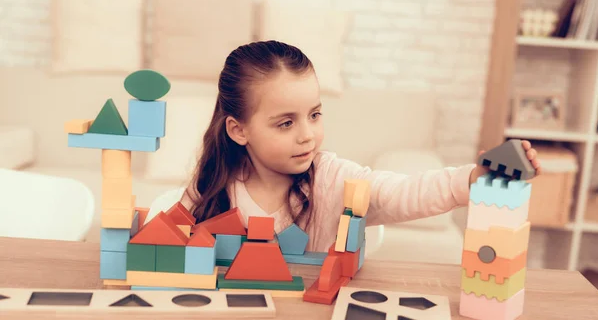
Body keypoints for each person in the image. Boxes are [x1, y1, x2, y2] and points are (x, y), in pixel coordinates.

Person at [179, 40, 541, 252]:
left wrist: (473, 178)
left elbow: (404, 192)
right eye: (286, 123)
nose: (307, 135)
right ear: (239, 130)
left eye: (315, 115)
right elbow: (166, 248)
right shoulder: (210, 188)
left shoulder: (335, 179)